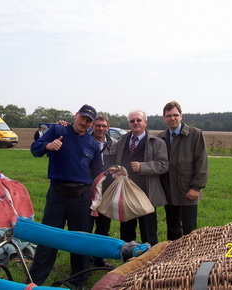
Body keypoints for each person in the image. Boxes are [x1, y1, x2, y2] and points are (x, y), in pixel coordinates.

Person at [29, 104, 102, 288]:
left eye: (88, 121)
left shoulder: (92, 144)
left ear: (91, 124)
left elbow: (97, 175)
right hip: (58, 195)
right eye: (82, 118)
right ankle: (36, 281)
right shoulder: (57, 129)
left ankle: (79, 281)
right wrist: (48, 145)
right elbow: (35, 148)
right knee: (48, 238)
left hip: (81, 197)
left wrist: (96, 202)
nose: (84, 123)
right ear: (75, 115)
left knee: (81, 240)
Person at [115, 109, 169, 246]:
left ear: (145, 122)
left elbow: (163, 165)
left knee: (148, 232)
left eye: (139, 120)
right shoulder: (122, 141)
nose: (136, 123)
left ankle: (149, 261)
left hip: (147, 194)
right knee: (126, 231)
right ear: (129, 124)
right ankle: (127, 260)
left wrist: (143, 167)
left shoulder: (157, 143)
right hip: (126, 193)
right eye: (132, 121)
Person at [158, 101, 209, 241]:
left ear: (181, 116)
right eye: (169, 116)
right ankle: (173, 258)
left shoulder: (195, 134)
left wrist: (196, 187)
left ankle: (189, 258)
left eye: (175, 115)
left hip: (188, 191)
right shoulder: (161, 138)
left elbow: (202, 162)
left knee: (190, 230)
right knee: (173, 229)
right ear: (164, 118)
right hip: (169, 192)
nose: (172, 118)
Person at [89, 114, 117, 268]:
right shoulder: (85, 141)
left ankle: (99, 258)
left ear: (108, 127)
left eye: (104, 126)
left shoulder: (114, 144)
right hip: (88, 190)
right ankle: (85, 259)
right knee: (86, 225)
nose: (101, 128)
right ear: (92, 126)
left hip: (107, 191)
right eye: (98, 125)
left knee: (104, 226)